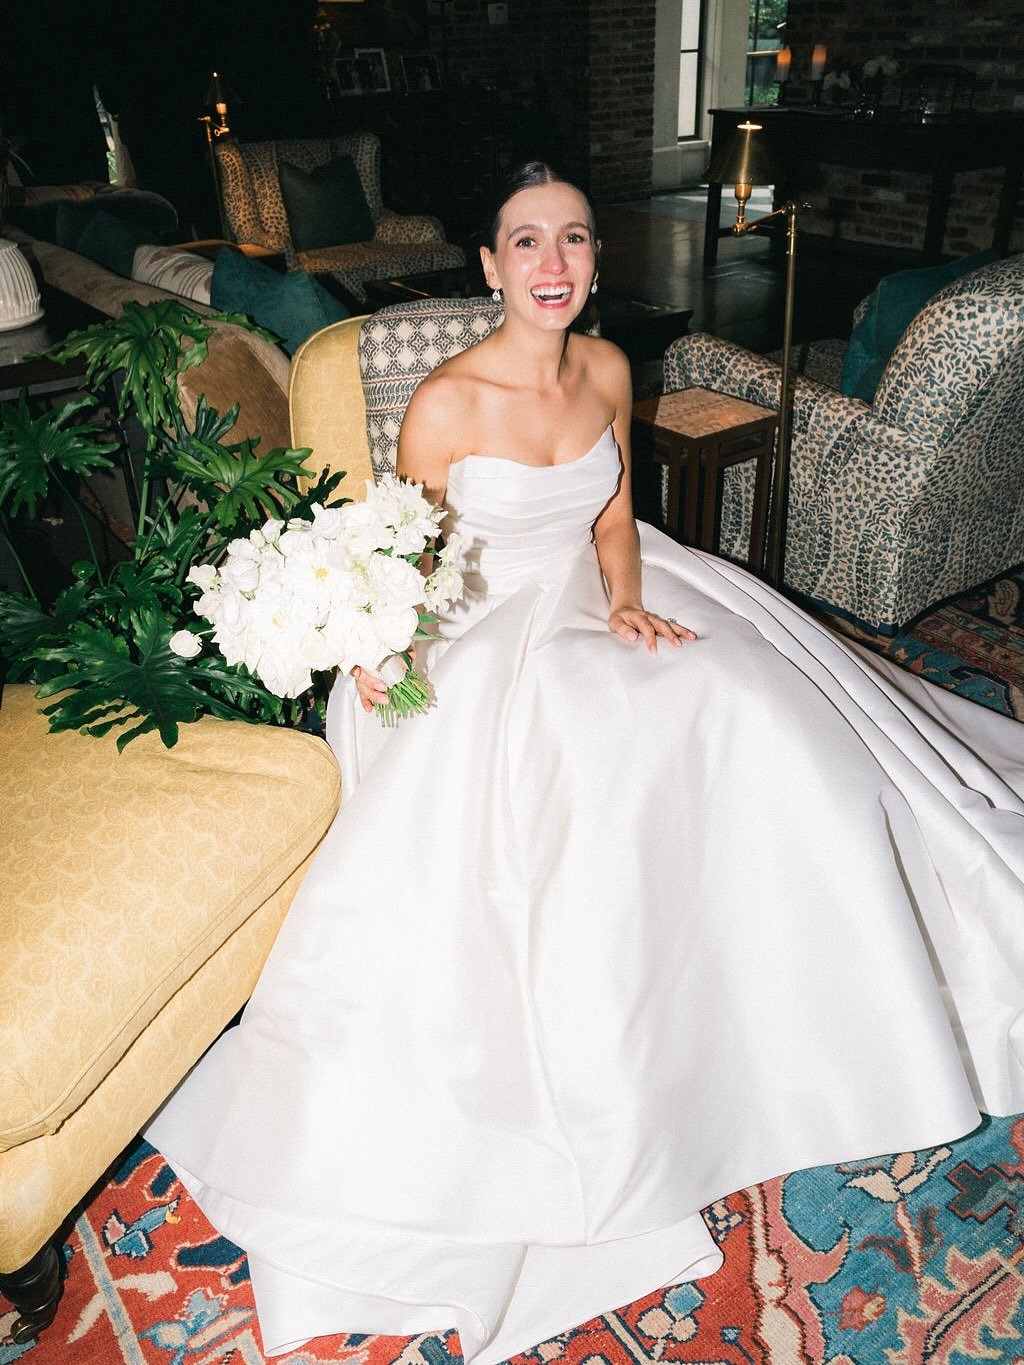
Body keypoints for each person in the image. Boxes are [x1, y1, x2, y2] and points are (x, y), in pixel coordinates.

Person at [147, 163, 1024, 1365]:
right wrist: (371, 649)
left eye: (572, 240)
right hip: (474, 632)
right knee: (618, 744)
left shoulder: (611, 369)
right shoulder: (447, 405)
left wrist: (622, 603)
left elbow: (613, 517)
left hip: (589, 593)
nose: (550, 264)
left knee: (747, 690)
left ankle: (810, 956)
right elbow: (408, 555)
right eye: (525, 243)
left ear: (593, 262)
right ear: (491, 265)